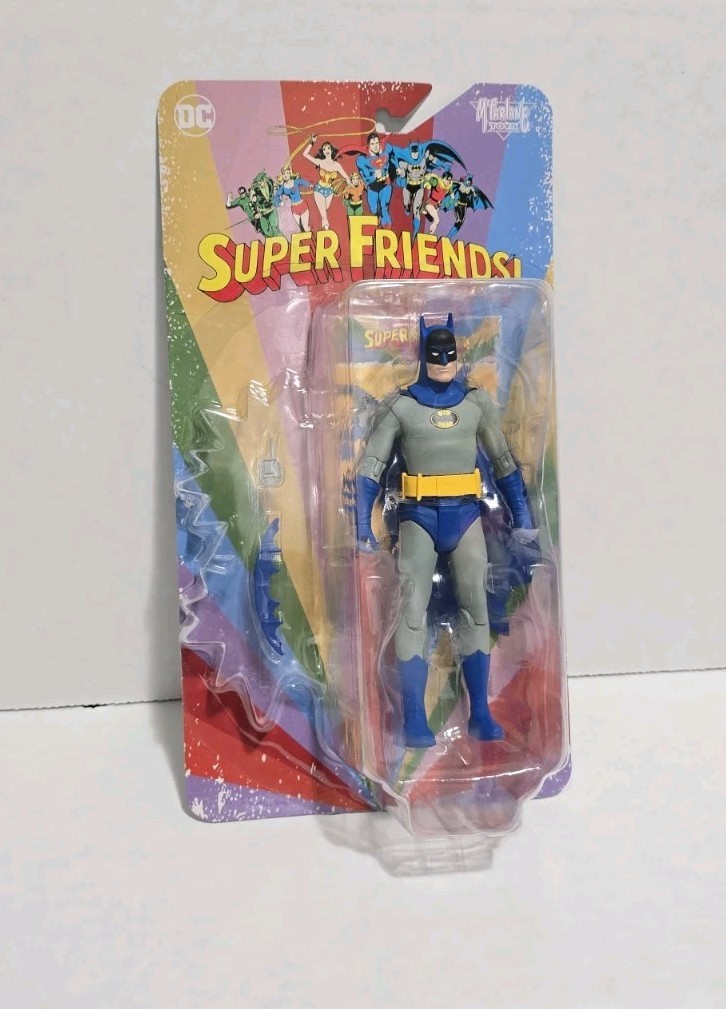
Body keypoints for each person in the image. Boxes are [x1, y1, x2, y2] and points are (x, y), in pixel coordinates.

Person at [355, 314, 535, 748]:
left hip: (467, 516)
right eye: (434, 355)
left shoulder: (476, 404)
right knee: (411, 613)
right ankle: (415, 718)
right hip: (418, 518)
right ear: (423, 355)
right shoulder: (401, 406)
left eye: (448, 355)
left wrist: (522, 515)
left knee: (476, 609)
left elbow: (504, 462)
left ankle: (481, 713)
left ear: (457, 356)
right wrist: (361, 523)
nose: (442, 362)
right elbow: (371, 467)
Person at [302, 135, 349, 230]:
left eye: (328, 148)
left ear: (331, 150)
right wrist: (312, 142)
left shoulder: (337, 165)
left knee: (325, 208)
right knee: (324, 215)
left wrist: (350, 184)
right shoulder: (320, 162)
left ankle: (325, 225)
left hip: (329, 191)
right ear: (323, 152)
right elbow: (305, 154)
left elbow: (346, 176)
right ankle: (326, 226)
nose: (326, 150)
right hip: (319, 190)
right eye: (324, 149)